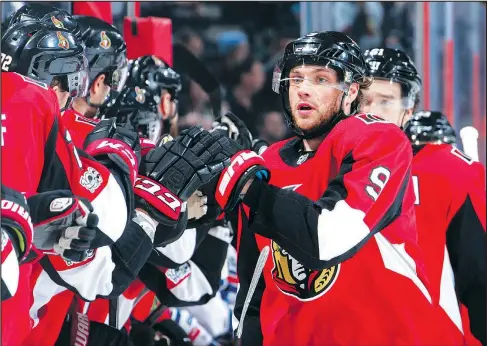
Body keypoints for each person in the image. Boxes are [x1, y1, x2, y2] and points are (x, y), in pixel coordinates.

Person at [203, 31, 469, 345]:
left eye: (320, 79)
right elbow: (255, 287)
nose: (304, 89)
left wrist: (249, 187)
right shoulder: (268, 164)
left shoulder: (381, 140)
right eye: (296, 78)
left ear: (350, 91)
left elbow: (329, 238)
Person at [362, 47, 486, 346]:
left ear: (409, 109)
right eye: (364, 100)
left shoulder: (451, 172)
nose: (371, 111)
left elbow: (478, 278)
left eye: (385, 101)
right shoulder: (319, 167)